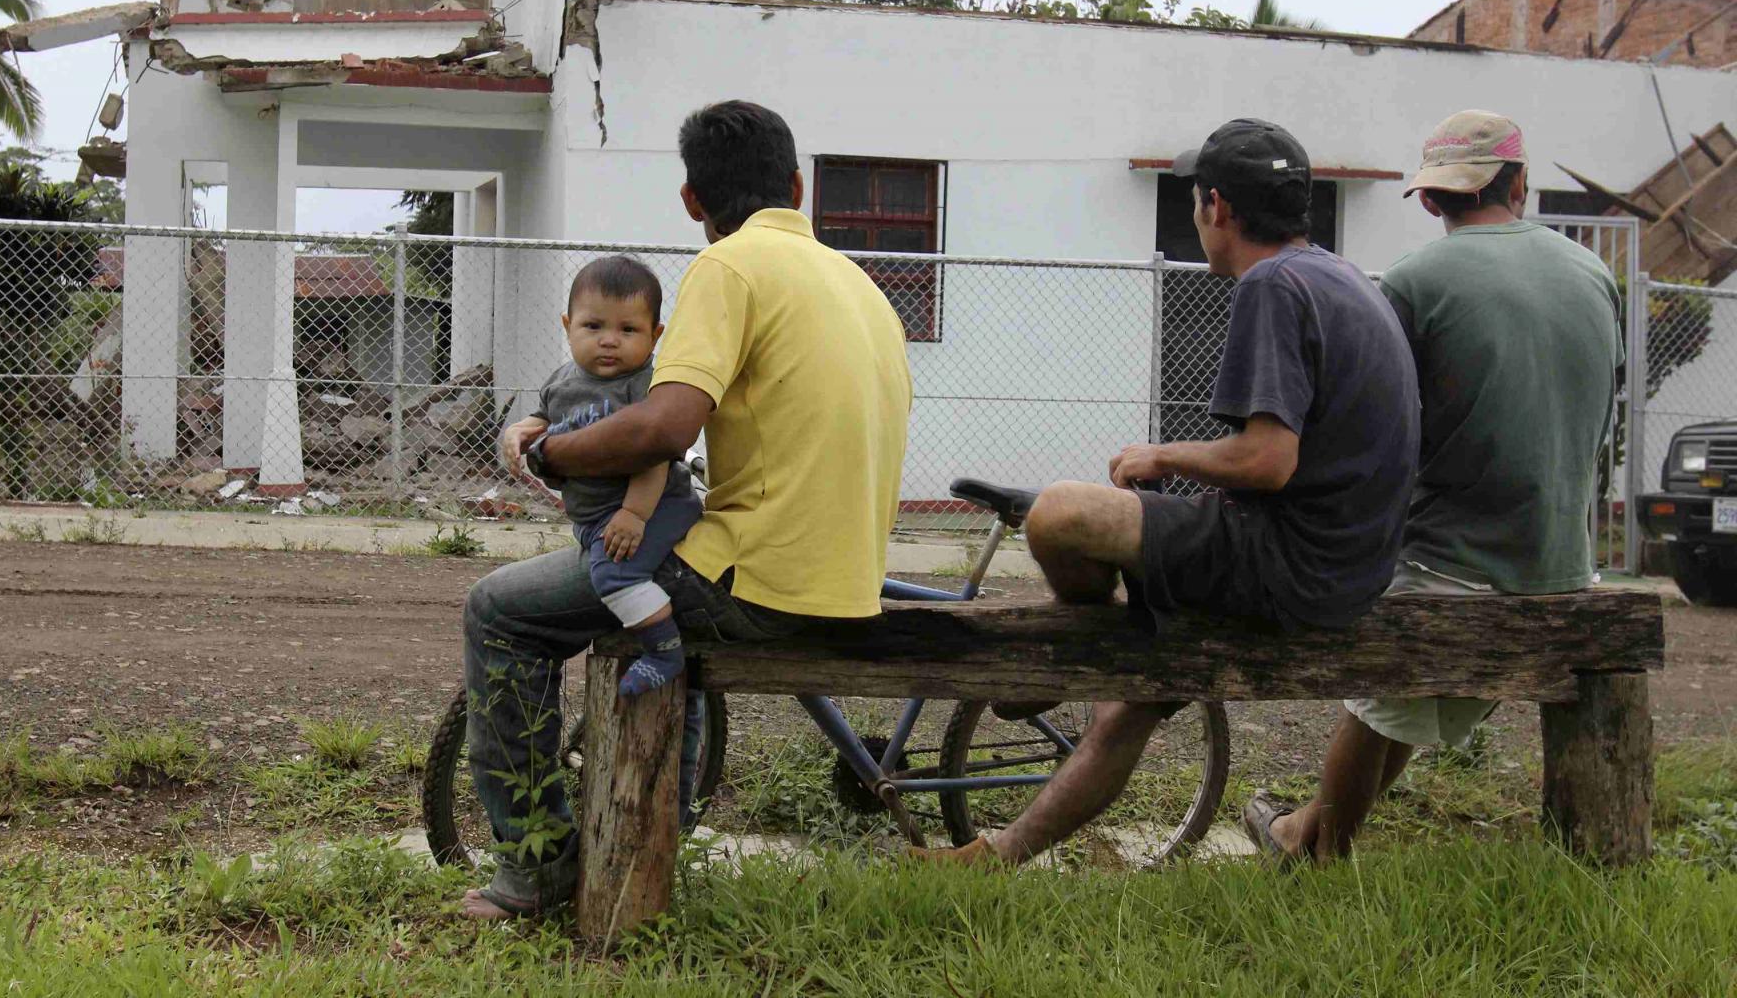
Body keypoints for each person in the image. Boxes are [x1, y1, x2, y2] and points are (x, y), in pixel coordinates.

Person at [915, 117, 1419, 869]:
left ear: (1217, 207)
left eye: (1194, 202)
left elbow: (1270, 457)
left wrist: (1161, 453)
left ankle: (1075, 649)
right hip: (1351, 566)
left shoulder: (1272, 286)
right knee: (1129, 706)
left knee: (1060, 512)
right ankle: (997, 853)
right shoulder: (1341, 277)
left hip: (1288, 561)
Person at [463, 99, 913, 918]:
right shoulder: (859, 283)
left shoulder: (730, 266)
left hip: (758, 582)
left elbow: (668, 423)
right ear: (798, 185)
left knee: (497, 610)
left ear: (691, 201)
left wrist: (551, 452)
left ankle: (540, 867)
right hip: (847, 580)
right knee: (674, 595)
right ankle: (651, 834)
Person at [1250, 110, 1622, 864]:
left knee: (1380, 697)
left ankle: (1324, 856)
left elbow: (1379, 428)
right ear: (1519, 183)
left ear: (1430, 200)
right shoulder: (1595, 271)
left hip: (1453, 564)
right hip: (1563, 564)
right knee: (1408, 699)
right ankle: (1297, 828)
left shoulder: (1416, 280)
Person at [528, 255, 703, 698]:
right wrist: (521, 431)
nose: (609, 342)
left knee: (615, 578)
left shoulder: (645, 385)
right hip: (595, 519)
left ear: (654, 335)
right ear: (568, 325)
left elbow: (653, 456)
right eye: (593, 327)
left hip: (655, 506)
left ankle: (665, 652)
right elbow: (546, 418)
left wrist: (634, 514)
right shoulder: (561, 381)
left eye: (628, 331)